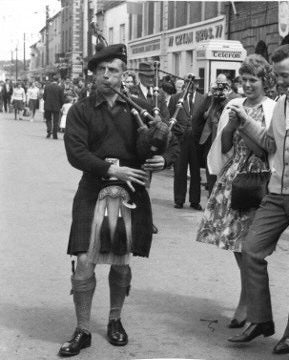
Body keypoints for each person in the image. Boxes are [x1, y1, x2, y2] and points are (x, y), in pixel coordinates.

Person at [58, 43, 179, 357]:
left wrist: (162, 160)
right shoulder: (81, 109)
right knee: (84, 260)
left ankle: (115, 320)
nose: (107, 76)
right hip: (93, 187)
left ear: (124, 74)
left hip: (131, 191)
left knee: (121, 261)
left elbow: (170, 140)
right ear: (94, 74)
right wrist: (113, 169)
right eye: (101, 70)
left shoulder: (140, 107)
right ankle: (83, 329)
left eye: (113, 70)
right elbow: (76, 153)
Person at [227, 44, 289, 355]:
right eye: (278, 75)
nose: (280, 81)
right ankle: (260, 319)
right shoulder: (281, 102)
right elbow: (270, 143)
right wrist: (245, 121)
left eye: (285, 75)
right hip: (276, 193)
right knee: (251, 249)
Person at [197, 54, 276, 337]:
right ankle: (246, 301)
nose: (247, 85)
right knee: (235, 243)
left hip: (258, 180)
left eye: (252, 80)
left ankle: (247, 304)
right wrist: (231, 125)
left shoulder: (272, 108)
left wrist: (246, 125)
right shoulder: (233, 104)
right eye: (243, 80)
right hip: (234, 177)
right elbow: (226, 146)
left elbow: (269, 151)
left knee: (249, 246)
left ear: (265, 81)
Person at [191, 73, 239, 195]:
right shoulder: (212, 96)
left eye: (222, 84)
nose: (220, 86)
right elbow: (202, 115)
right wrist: (211, 97)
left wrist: (225, 99)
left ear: (229, 84)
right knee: (210, 167)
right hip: (210, 138)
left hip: (225, 138)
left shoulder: (235, 97)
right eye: (217, 83)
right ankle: (211, 195)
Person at [171, 79, 205, 210]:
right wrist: (176, 130)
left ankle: (195, 201)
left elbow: (204, 119)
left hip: (196, 141)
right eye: (189, 82)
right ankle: (179, 199)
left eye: (194, 83)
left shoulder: (203, 99)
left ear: (197, 84)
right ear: (185, 83)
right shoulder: (176, 98)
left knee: (196, 171)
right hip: (180, 139)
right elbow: (170, 116)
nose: (192, 85)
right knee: (180, 170)